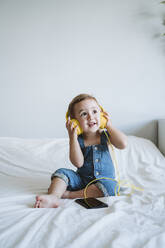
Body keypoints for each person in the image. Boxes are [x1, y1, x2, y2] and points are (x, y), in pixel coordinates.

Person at [34, 93, 127, 208]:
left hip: (104, 182)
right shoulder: (78, 140)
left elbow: (123, 144)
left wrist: (109, 125)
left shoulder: (106, 135)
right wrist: (72, 137)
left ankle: (69, 194)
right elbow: (78, 163)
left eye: (94, 111)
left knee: (112, 187)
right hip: (82, 180)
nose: (90, 117)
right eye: (84, 114)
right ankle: (53, 196)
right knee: (62, 172)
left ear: (102, 114)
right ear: (75, 122)